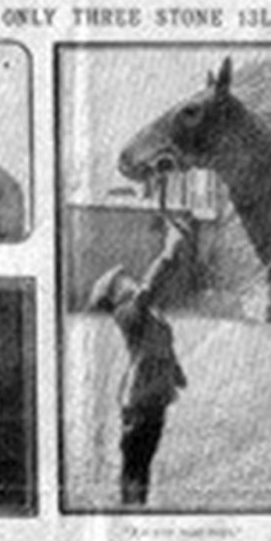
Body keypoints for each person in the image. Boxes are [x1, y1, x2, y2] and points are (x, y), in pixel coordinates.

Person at [87, 216, 191, 506]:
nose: (129, 279)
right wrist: (171, 245)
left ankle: (135, 510)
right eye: (122, 281)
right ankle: (130, 514)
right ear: (116, 294)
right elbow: (152, 283)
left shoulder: (147, 312)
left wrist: (177, 372)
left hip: (154, 396)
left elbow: (162, 344)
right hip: (139, 401)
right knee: (135, 465)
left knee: (143, 463)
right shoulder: (129, 313)